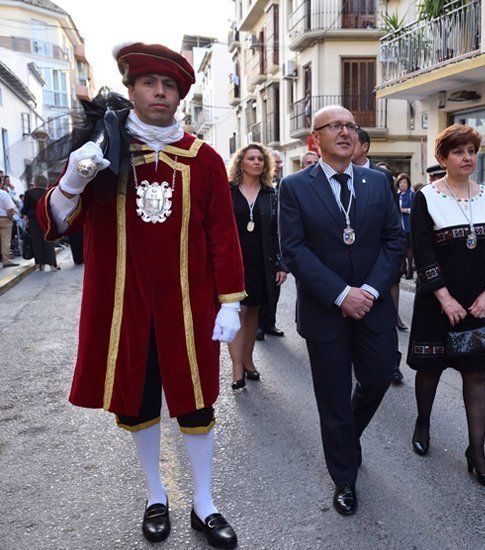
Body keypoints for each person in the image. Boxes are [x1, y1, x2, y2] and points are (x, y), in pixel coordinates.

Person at [36, 42, 242, 547]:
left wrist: (232, 302)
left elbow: (222, 233)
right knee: (139, 399)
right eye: (149, 83)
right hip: (123, 304)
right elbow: (56, 224)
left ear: (180, 97)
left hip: (188, 304)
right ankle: (155, 494)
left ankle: (204, 502)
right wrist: (72, 180)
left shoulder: (204, 158)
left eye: (169, 85)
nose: (159, 92)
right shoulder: (103, 153)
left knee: (196, 403)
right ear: (130, 91)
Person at [278, 105, 404, 515]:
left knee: (381, 374)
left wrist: (366, 290)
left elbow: (393, 242)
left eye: (351, 126)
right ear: (315, 138)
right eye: (336, 126)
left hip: (373, 306)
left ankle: (346, 437)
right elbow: (293, 250)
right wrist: (340, 294)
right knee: (332, 397)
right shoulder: (295, 187)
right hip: (324, 311)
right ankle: (344, 478)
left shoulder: (377, 182)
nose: (346, 132)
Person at [407, 125, 485, 488]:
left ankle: (477, 453)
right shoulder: (427, 197)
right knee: (430, 370)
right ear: (442, 158)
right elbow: (422, 251)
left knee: (477, 375)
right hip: (437, 303)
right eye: (458, 152)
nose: (467, 158)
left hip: (478, 304)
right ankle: (422, 422)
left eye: (471, 151)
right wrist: (444, 297)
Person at [227, 144, 287, 392]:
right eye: (251, 158)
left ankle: (248, 359)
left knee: (253, 313)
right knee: (237, 312)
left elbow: (277, 231)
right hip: (233, 260)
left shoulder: (269, 193)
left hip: (261, 261)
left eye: (261, 159)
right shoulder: (227, 190)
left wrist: (280, 263)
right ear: (241, 162)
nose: (256, 162)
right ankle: (237, 369)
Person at [352, 128, 406, 382]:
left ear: (364, 147)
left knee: (386, 312)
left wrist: (397, 255)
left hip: (381, 258)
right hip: (352, 261)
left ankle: (391, 363)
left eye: (351, 142)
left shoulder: (382, 176)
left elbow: (392, 219)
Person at [256, 149, 286, 340]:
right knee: (260, 288)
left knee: (275, 287)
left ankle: (269, 323)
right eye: (275, 162)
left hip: (275, 244)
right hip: (257, 246)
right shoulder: (258, 188)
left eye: (280, 163)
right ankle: (258, 325)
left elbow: (279, 226)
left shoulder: (279, 187)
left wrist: (281, 262)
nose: (278, 166)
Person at [21, 175, 60, 271]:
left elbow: (25, 209)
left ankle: (40, 264)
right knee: (48, 241)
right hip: (46, 219)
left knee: (36, 242)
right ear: (45, 182)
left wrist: (25, 217)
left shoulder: (28, 193)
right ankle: (52, 264)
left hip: (33, 220)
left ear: (35, 183)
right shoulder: (49, 192)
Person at [396, 173, 415, 279]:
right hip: (399, 227)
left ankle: (410, 270)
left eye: (405, 182)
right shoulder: (397, 196)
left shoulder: (412, 195)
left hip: (409, 226)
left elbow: (416, 210)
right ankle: (402, 268)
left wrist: (405, 210)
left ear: (408, 184)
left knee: (409, 249)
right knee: (401, 248)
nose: (403, 185)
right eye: (401, 183)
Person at [0, 185, 18, 267]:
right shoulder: (3, 193)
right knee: (5, 241)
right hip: (4, 219)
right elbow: (9, 209)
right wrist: (11, 218)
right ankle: (6, 261)